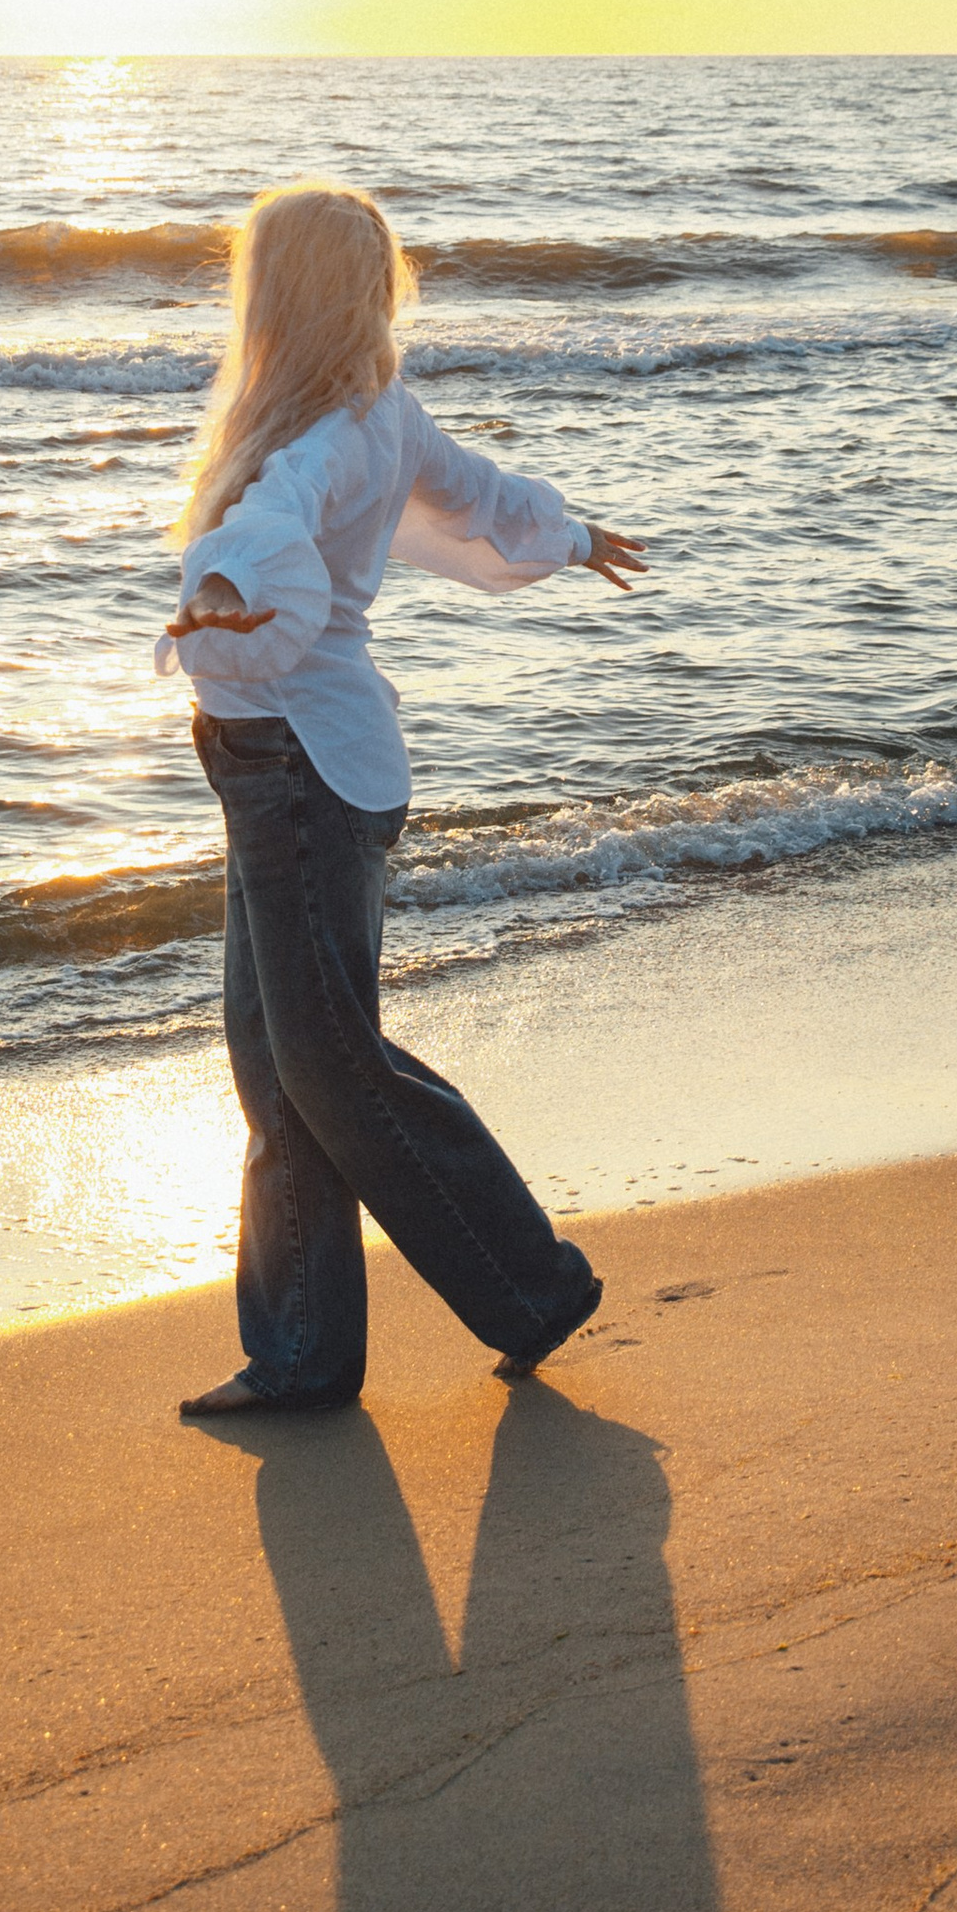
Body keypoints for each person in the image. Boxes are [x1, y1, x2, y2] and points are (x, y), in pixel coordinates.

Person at [157, 179, 645, 1420]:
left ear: (281, 294)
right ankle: (303, 1354)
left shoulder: (322, 440)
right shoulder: (366, 415)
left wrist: (225, 589)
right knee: (279, 1073)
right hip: (294, 771)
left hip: (304, 774)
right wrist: (575, 536)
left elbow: (275, 533)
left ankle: (526, 1287)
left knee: (329, 1067)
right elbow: (480, 496)